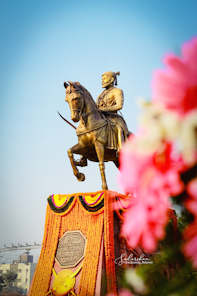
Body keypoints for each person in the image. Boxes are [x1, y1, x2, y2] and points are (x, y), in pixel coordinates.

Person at [97, 71, 130, 154]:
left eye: (104, 79)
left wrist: (104, 110)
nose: (102, 81)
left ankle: (121, 149)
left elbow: (119, 106)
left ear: (111, 80)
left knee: (119, 129)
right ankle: (83, 157)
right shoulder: (100, 95)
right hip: (101, 117)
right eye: (102, 79)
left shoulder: (118, 91)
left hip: (113, 117)